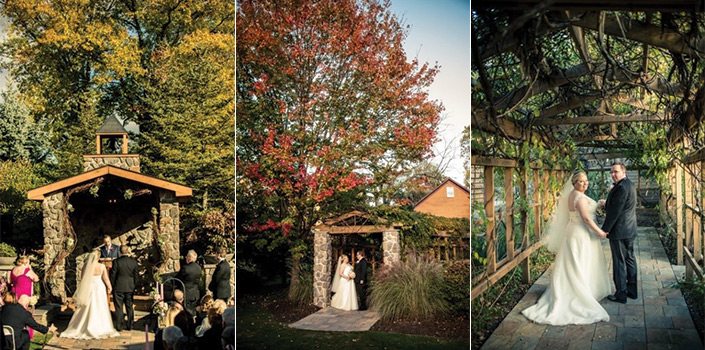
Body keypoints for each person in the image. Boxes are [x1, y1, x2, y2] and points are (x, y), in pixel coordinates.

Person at [522, 171, 612, 325]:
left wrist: (599, 204)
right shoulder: (579, 197)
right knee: (579, 262)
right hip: (580, 233)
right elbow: (586, 218)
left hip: (572, 231)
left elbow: (583, 211)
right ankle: (578, 292)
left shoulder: (572, 195)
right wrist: (600, 232)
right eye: (581, 181)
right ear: (574, 183)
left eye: (586, 181)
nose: (585, 183)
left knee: (573, 262)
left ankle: (576, 287)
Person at [599, 162, 639, 304]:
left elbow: (614, 213)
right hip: (630, 229)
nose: (613, 174)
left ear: (623, 171)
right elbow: (620, 206)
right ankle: (632, 292)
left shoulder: (621, 187)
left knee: (619, 262)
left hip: (620, 231)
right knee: (630, 259)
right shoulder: (630, 184)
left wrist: (604, 230)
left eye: (615, 171)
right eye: (611, 172)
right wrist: (607, 203)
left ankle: (621, 294)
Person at [61, 250, 120, 339]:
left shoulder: (85, 266)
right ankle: (101, 327)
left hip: (89, 286)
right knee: (99, 305)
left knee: (88, 305)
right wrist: (109, 287)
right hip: (99, 287)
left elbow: (82, 278)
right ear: (98, 257)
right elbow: (106, 278)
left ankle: (83, 325)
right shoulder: (101, 266)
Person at [9, 256, 39, 339]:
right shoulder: (27, 270)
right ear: (26, 262)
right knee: (25, 314)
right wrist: (30, 268)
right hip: (24, 294)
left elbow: (10, 281)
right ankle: (26, 333)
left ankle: (14, 331)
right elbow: (36, 279)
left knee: (15, 313)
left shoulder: (13, 269)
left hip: (15, 294)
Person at [111, 245, 138, 331]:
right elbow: (136, 277)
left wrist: (112, 286)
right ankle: (130, 325)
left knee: (118, 307)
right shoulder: (133, 262)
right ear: (128, 251)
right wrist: (134, 286)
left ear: (120, 251)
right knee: (129, 306)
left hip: (118, 287)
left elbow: (113, 276)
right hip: (130, 287)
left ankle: (119, 326)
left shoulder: (116, 262)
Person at [176, 250, 202, 315]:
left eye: (187, 256)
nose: (185, 258)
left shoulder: (185, 268)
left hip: (186, 294)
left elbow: (178, 279)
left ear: (189, 257)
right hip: (195, 294)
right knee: (195, 312)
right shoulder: (199, 268)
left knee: (187, 313)